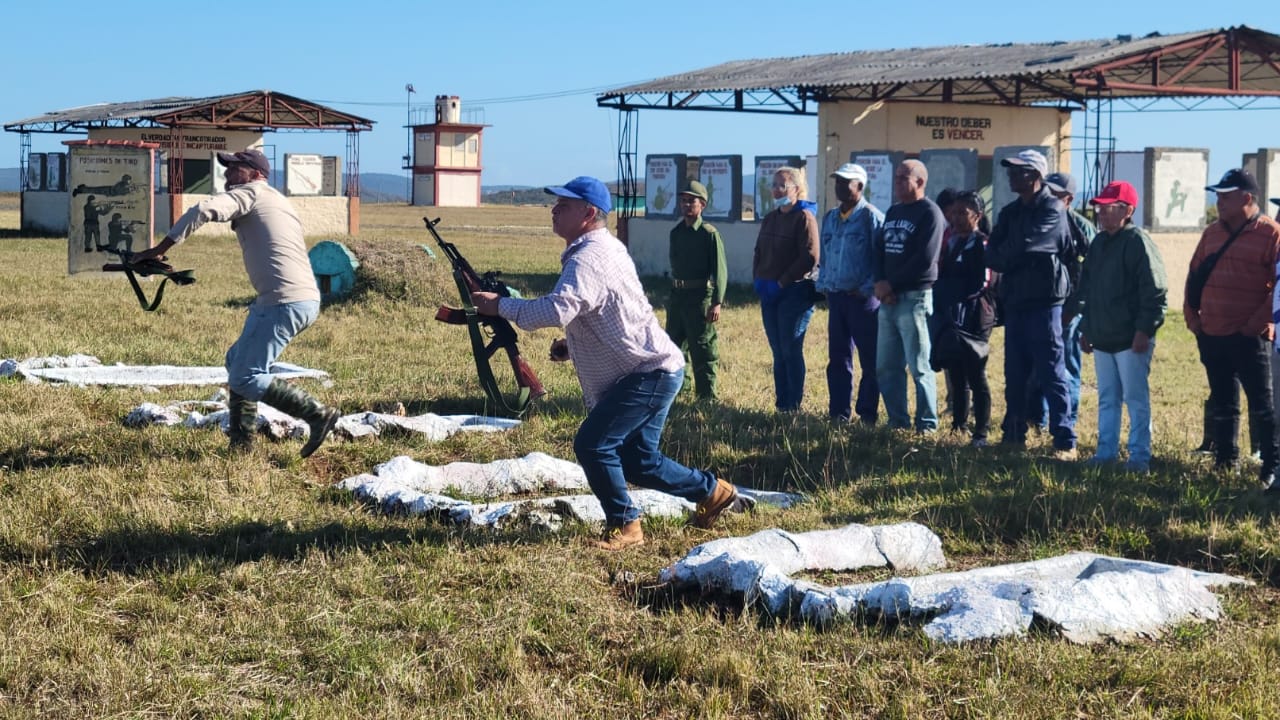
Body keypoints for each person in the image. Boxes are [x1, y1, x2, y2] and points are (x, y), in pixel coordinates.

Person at [471, 176, 742, 549]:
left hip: (649, 372)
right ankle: (714, 493)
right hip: (655, 367)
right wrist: (575, 343)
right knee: (639, 461)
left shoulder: (589, 257)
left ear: (589, 213)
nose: (554, 210)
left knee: (593, 445)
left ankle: (626, 525)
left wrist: (500, 305)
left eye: (563, 206)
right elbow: (608, 308)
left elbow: (556, 308)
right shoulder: (602, 249)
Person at [132, 149, 339, 458]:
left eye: (234, 169)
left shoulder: (251, 192)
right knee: (237, 362)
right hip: (293, 299)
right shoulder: (276, 198)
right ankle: (241, 445)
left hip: (284, 302)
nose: (227, 175)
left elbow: (201, 210)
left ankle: (316, 414)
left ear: (255, 174)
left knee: (245, 375)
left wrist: (157, 251)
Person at [1186, 169, 1280, 491]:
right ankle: (1226, 459)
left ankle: (1270, 466)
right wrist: (1192, 315)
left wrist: (1256, 322)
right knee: (1224, 400)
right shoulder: (1212, 233)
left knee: (1263, 405)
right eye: (1218, 195)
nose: (1219, 202)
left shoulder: (1272, 234)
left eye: (1225, 196)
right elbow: (1194, 272)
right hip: (1212, 333)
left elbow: (1278, 286)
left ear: (1247, 199)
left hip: (1250, 338)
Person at [985, 149, 1077, 458]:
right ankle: (1013, 434)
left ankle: (1065, 440)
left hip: (1045, 302)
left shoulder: (1052, 208)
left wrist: (1008, 256)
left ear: (1035, 176)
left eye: (1018, 171)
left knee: (1051, 370)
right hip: (1015, 301)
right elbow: (993, 252)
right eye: (1009, 170)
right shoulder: (1011, 212)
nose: (1011, 175)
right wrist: (1009, 256)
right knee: (1015, 371)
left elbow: (1027, 247)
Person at [1075, 181, 1168, 472]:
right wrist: (1087, 328)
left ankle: (1139, 457)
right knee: (1107, 399)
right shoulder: (1099, 243)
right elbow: (1087, 290)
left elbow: (1155, 291)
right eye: (1100, 207)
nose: (1101, 212)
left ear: (1127, 210)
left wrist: (1144, 330)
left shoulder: (1138, 242)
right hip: (1103, 337)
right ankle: (1105, 454)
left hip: (1131, 339)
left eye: (1108, 207)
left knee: (1136, 400)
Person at [873, 159, 943, 432]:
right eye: (897, 177)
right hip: (887, 298)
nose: (898, 182)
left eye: (904, 177)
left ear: (920, 182)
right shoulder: (893, 211)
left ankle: (926, 424)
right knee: (886, 365)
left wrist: (892, 284)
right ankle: (897, 421)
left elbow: (924, 259)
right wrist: (880, 281)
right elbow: (879, 249)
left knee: (919, 365)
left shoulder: (930, 213)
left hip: (913, 297)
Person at [1026, 171, 1095, 431]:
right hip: (1040, 307)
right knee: (1038, 365)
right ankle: (1037, 419)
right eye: (1047, 191)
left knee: (1065, 368)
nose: (1048, 196)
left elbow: (1088, 276)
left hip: (1067, 311)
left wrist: (1073, 309)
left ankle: (1066, 421)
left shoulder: (1082, 228)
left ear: (1069, 199)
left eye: (1055, 193)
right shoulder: (1038, 220)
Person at [816, 163, 884, 424]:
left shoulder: (871, 217)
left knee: (870, 359)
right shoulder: (830, 217)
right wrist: (825, 285)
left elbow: (880, 259)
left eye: (846, 182)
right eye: (837, 182)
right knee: (838, 358)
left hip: (863, 299)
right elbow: (825, 255)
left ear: (860, 186)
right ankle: (838, 413)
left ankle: (867, 413)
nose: (840, 187)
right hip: (837, 297)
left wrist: (867, 289)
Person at [930, 191, 997, 445]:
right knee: (955, 372)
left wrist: (959, 297)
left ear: (977, 216)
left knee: (975, 373)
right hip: (951, 316)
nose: (956, 219)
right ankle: (959, 425)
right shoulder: (952, 242)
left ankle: (981, 431)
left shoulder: (983, 244)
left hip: (975, 318)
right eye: (954, 213)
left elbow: (984, 281)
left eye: (963, 213)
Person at [753, 166, 820, 412]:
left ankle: (793, 404)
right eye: (774, 185)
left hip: (795, 293)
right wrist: (758, 278)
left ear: (796, 189)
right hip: (768, 293)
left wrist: (783, 281)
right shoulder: (771, 218)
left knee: (790, 349)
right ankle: (782, 404)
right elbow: (758, 251)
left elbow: (810, 256)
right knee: (778, 351)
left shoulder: (804, 217)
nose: (776, 190)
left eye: (782, 185)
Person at [666, 180, 727, 401]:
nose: (686, 205)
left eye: (691, 201)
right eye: (683, 200)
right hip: (678, 297)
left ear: (702, 205)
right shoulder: (676, 233)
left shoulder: (709, 234)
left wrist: (717, 301)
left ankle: (706, 396)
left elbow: (720, 270)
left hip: (700, 297)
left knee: (702, 348)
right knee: (674, 346)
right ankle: (680, 390)